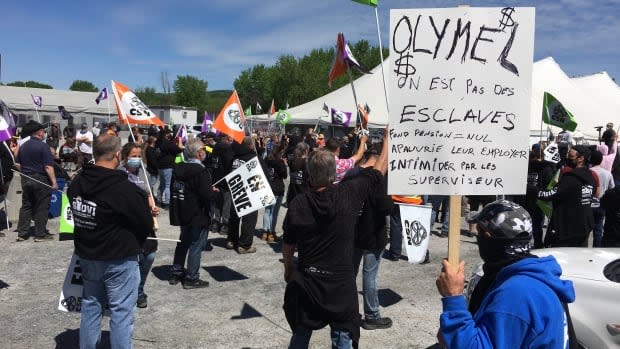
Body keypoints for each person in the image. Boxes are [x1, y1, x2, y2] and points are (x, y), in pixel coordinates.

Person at [282, 112, 388, 349]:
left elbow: (288, 242)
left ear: (310, 174)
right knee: (342, 335)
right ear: (334, 173)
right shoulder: (347, 195)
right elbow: (378, 172)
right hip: (339, 282)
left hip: (309, 278)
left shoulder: (299, 203)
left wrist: (289, 266)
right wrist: (388, 141)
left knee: (302, 330)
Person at [436, 199, 576, 349]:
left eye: (479, 232)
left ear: (488, 238)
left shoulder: (517, 292)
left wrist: (453, 297)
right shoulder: (534, 275)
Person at [68, 134, 153, 349]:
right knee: (121, 312)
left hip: (88, 255)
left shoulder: (77, 182)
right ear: (117, 155)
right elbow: (145, 224)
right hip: (118, 259)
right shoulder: (123, 189)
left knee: (91, 306)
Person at [348, 149, 393, 331]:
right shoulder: (376, 182)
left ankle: (346, 310)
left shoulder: (352, 177)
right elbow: (386, 207)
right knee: (370, 277)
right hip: (372, 236)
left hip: (354, 234)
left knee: (349, 274)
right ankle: (372, 315)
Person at [169, 139, 219, 288]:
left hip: (183, 211)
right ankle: (191, 277)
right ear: (198, 153)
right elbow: (207, 195)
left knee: (183, 242)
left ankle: (176, 271)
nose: (205, 152)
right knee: (196, 245)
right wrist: (215, 193)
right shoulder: (200, 171)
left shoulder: (178, 168)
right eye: (203, 149)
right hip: (197, 213)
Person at [119, 142, 160, 308]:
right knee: (130, 260)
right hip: (127, 224)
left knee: (149, 255)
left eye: (138, 156)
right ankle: (133, 292)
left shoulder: (144, 172)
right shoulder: (119, 174)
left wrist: (153, 207)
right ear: (124, 157)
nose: (136, 159)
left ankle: (139, 288)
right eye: (133, 156)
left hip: (145, 222)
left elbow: (149, 193)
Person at [539, 145, 595, 247]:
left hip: (567, 228)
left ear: (581, 158)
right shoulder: (590, 176)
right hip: (584, 226)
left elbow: (550, 195)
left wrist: (533, 191)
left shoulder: (571, 178)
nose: (568, 159)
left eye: (571, 157)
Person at [15, 121, 57, 242]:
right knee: (42, 206)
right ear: (39, 133)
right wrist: (54, 182)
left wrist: (26, 173)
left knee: (26, 205)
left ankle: (22, 234)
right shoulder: (44, 147)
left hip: (26, 177)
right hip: (41, 178)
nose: (45, 133)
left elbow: (17, 164)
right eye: (43, 131)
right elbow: (48, 167)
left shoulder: (23, 146)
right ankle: (40, 234)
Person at [226, 136, 264, 254]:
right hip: (249, 193)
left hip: (236, 190)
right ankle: (245, 245)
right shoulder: (252, 157)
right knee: (249, 219)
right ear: (250, 145)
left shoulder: (234, 157)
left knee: (234, 217)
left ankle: (231, 240)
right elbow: (263, 174)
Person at [262, 143, 287, 242]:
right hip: (277, 188)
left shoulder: (267, 160)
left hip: (268, 187)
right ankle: (271, 232)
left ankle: (265, 232)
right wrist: (284, 165)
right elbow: (284, 175)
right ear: (280, 152)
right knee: (274, 212)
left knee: (267, 210)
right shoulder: (279, 162)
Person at [590, 150, 615, 247]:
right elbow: (612, 188)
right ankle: (596, 250)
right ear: (601, 161)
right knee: (598, 230)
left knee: (586, 230)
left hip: (588, 205)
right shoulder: (607, 174)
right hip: (601, 205)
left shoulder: (588, 172)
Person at [156, 130, 183, 209]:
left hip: (160, 166)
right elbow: (179, 149)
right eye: (169, 134)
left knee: (161, 185)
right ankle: (167, 203)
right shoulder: (168, 143)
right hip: (168, 166)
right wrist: (180, 141)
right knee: (167, 185)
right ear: (166, 135)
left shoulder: (159, 143)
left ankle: (159, 201)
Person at [285, 142, 310, 206]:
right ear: (306, 151)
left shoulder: (292, 160)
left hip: (293, 191)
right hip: (303, 192)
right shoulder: (307, 162)